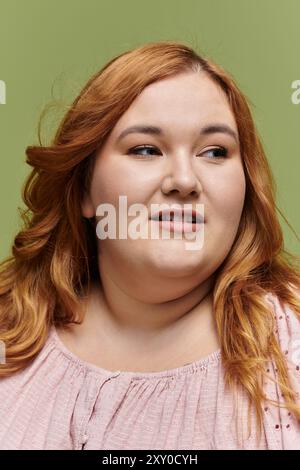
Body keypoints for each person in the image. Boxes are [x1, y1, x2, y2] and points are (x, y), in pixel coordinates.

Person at [0, 40, 300, 450]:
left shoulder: (290, 346)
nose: (184, 180)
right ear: (85, 189)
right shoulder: (9, 337)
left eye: (215, 152)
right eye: (146, 149)